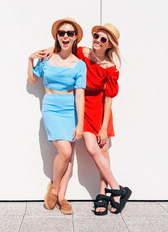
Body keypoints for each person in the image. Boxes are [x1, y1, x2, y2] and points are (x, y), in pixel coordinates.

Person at [42, 23, 131, 215]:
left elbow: (109, 99)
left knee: (100, 148)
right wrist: (50, 49)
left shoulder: (110, 68)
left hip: (99, 110)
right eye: (96, 36)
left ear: (110, 45)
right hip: (81, 106)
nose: (97, 40)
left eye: (103, 39)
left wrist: (104, 126)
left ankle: (105, 192)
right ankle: (117, 189)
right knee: (92, 149)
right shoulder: (83, 53)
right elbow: (64, 48)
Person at [27, 18, 86, 215]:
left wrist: (81, 123)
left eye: (70, 33)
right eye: (62, 33)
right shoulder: (47, 59)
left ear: (75, 37)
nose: (66, 36)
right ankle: (53, 188)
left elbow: (80, 94)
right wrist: (30, 60)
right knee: (65, 151)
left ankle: (61, 196)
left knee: (70, 156)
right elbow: (33, 78)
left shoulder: (79, 65)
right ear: (57, 36)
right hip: (52, 107)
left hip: (71, 110)